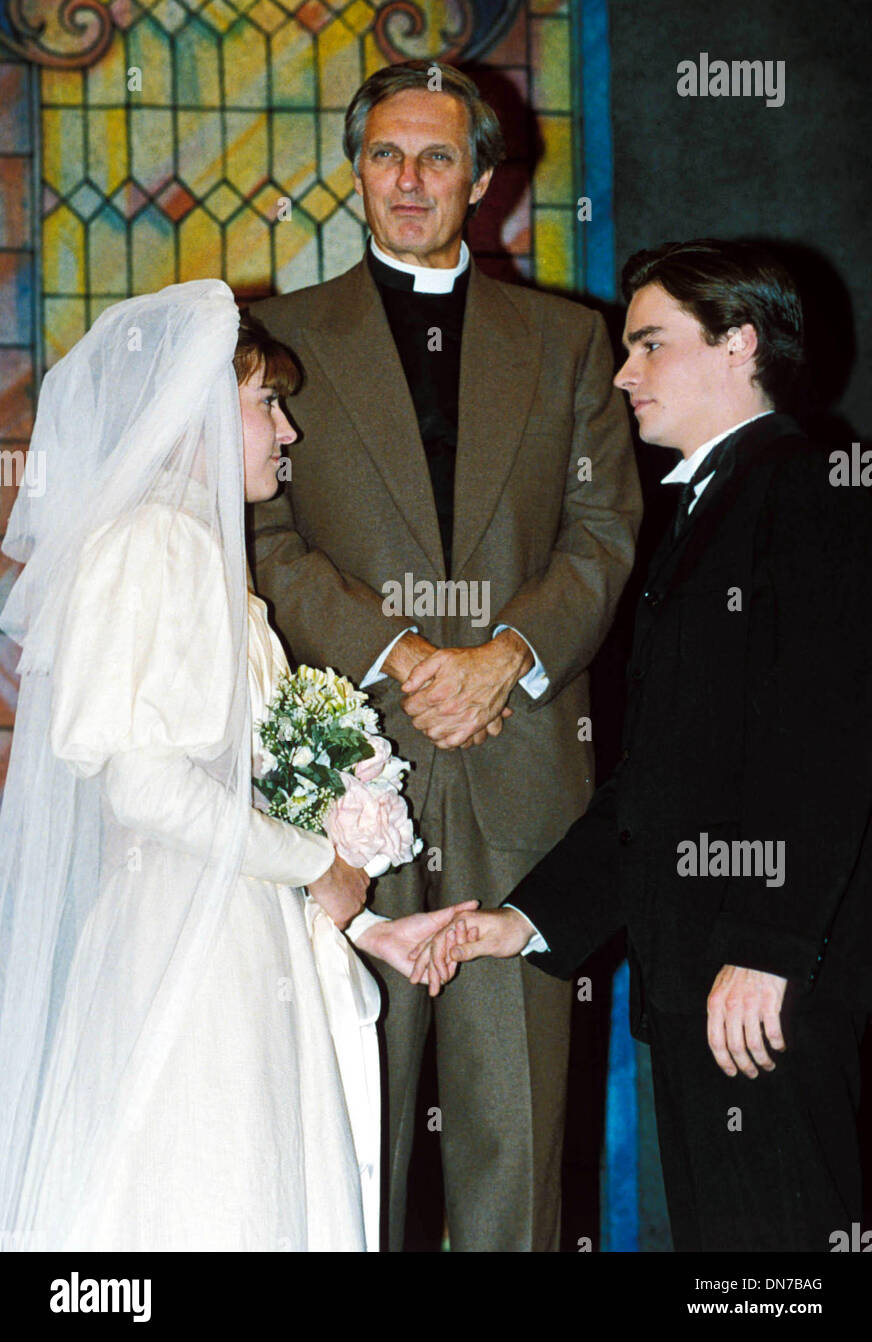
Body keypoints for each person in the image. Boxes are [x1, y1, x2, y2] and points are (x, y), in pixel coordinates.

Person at [249, 62, 642, 1251]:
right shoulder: (282, 338)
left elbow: (605, 532)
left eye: (434, 157)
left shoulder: (572, 343)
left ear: (481, 176)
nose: (407, 180)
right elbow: (263, 532)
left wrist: (505, 653)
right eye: (383, 154)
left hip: (522, 768)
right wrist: (400, 652)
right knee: (342, 1121)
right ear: (354, 169)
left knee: (513, 1139)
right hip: (337, 783)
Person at [0, 279, 474, 1253]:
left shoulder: (197, 552)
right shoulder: (159, 545)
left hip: (217, 933)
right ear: (195, 411)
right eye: (265, 402)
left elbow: (212, 803)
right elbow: (146, 786)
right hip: (193, 958)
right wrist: (321, 864)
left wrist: (367, 923)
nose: (286, 430)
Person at [420, 239, 872, 1252]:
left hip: (757, 981)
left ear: (737, 345)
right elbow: (656, 783)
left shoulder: (804, 492)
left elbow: (826, 742)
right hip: (702, 981)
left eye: (648, 345)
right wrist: (526, 921)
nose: (623, 372)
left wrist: (765, 944)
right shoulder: (705, 509)